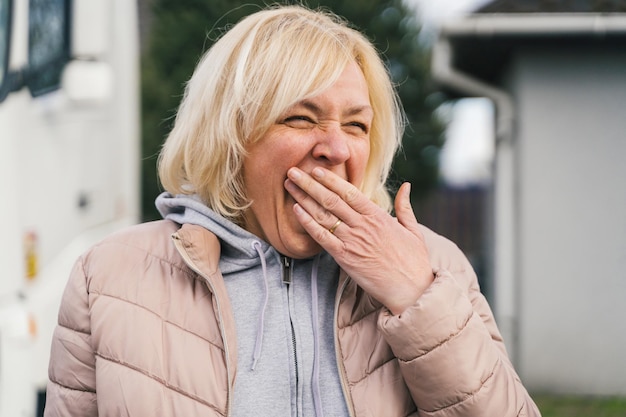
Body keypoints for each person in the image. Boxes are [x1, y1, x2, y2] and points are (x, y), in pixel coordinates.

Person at [44, 5, 541, 417]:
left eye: (356, 126)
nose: (336, 149)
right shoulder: (107, 277)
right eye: (301, 118)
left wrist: (418, 300)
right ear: (230, 136)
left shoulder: (435, 267)